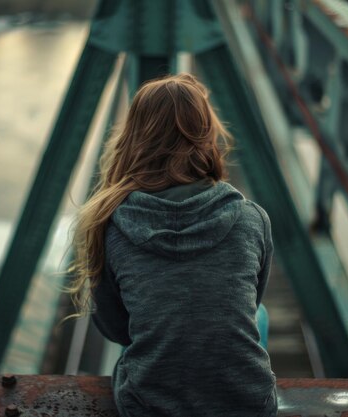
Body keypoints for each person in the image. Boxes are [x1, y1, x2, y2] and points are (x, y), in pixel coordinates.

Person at [67, 72, 278, 417]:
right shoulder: (251, 218)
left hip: (149, 409)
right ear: (207, 135)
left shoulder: (110, 224)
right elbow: (251, 299)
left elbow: (116, 328)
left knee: (141, 342)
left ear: (134, 137)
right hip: (248, 406)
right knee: (261, 315)